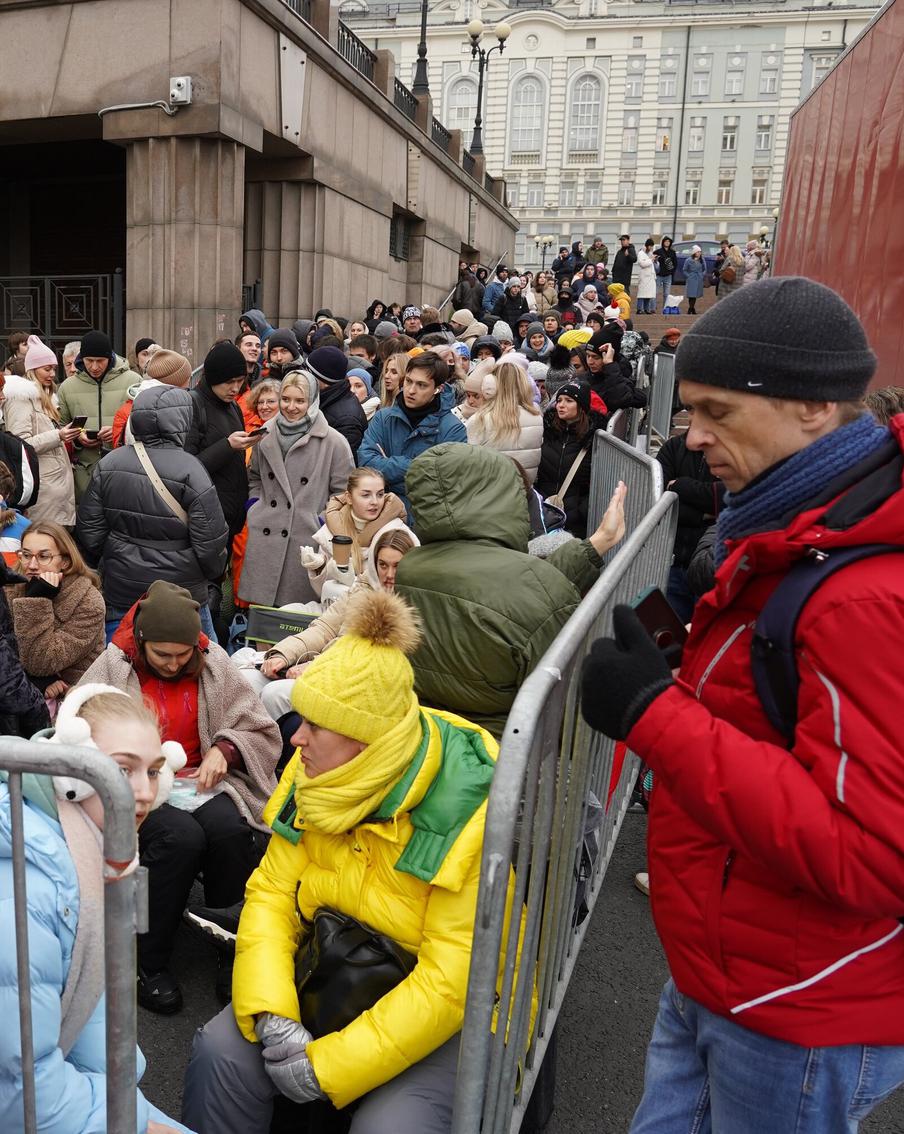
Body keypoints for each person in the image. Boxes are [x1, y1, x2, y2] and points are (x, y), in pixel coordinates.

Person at [580, 277, 904, 1133]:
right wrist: (681, 670)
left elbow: (869, 852)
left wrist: (654, 710)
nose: (693, 436)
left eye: (718, 411)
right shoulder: (795, 527)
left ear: (812, 408)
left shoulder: (860, 594)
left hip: (797, 1006)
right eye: (691, 410)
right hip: (730, 970)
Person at [182, 588, 515, 1134]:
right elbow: (270, 894)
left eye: (316, 724)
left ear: (368, 742)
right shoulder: (314, 773)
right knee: (221, 1052)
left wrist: (331, 1067)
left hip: (443, 1008)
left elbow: (453, 980)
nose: (298, 738)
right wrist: (272, 1009)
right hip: (332, 963)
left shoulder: (471, 812)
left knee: (392, 1126)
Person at [0, 684, 193, 1134]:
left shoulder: (101, 851)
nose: (143, 793)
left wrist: (127, 1098)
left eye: (154, 772)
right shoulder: (26, 893)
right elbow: (20, 1092)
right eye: (121, 769)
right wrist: (137, 1123)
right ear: (69, 773)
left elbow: (92, 999)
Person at [80, 581, 280, 1012]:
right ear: (142, 644)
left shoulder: (212, 660)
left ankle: (233, 948)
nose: (173, 664)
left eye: (182, 654)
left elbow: (257, 725)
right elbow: (82, 730)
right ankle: (148, 961)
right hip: (138, 785)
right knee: (179, 839)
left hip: (200, 781)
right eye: (162, 655)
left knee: (230, 830)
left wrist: (225, 750)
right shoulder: (113, 665)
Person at [395, 443, 627, 738]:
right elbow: (560, 711)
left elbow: (512, 593)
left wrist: (599, 542)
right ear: (499, 497)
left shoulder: (408, 569)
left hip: (428, 741)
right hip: (501, 759)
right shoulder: (532, 588)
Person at [78, 385, 229, 642]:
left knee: (122, 664)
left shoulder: (109, 463)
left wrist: (118, 554)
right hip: (183, 591)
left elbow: (91, 533)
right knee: (205, 667)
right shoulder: (191, 469)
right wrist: (211, 572)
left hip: (123, 587)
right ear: (182, 419)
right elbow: (210, 542)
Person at [238, 519, 418, 724]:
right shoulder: (364, 586)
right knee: (246, 680)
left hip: (348, 683)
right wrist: (283, 654)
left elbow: (359, 659)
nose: (389, 574)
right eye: (383, 565)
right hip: (320, 665)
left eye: (397, 566)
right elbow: (324, 628)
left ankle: (279, 752)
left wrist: (313, 667)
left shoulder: (409, 606)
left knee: (275, 694)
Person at [240, 369, 353, 608]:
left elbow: (343, 494)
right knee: (262, 621)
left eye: (300, 400)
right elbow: (255, 477)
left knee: (298, 623)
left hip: (306, 541)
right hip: (266, 537)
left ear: (312, 401)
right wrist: (255, 506)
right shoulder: (264, 435)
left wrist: (321, 521)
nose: (292, 407)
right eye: (286, 399)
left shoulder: (334, 442)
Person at [6, 521, 106, 703]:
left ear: (65, 562)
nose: (32, 565)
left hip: (72, 700)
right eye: (26, 555)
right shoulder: (11, 586)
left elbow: (41, 662)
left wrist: (36, 601)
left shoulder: (88, 602)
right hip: (18, 688)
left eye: (44, 556)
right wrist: (37, 680)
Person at [358, 351, 467, 518]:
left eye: (422, 385)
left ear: (438, 388)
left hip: (427, 519)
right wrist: (417, 465)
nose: (411, 390)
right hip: (380, 514)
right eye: (408, 381)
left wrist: (388, 467)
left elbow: (444, 481)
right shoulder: (383, 418)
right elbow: (366, 464)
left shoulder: (453, 429)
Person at [187, 341, 261, 547]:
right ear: (213, 378)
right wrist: (227, 446)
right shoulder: (193, 405)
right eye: (229, 382)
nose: (235, 388)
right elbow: (188, 468)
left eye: (240, 381)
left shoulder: (233, 407)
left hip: (232, 515)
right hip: (205, 518)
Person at [2, 335, 79, 525]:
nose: (52, 373)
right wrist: (58, 435)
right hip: (44, 490)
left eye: (54, 368)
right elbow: (20, 446)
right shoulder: (21, 397)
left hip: (55, 489)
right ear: (32, 369)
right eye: (47, 369)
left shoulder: (46, 398)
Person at [56, 330, 139, 500]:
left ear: (110, 358)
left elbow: (143, 423)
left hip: (124, 470)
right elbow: (60, 429)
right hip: (84, 474)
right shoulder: (67, 387)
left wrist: (118, 432)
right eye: (89, 361)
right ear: (82, 359)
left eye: (100, 361)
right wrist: (78, 436)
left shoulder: (134, 381)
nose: (94, 367)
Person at [302, 466, 406, 598]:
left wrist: (351, 583)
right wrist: (320, 568)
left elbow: (400, 591)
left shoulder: (397, 532)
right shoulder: (329, 531)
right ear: (349, 498)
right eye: (366, 495)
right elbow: (323, 594)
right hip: (333, 611)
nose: (375, 502)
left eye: (380, 494)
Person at [655, 433, 724, 622]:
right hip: (673, 563)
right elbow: (659, 500)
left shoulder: (733, 449)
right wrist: (703, 513)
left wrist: (681, 485)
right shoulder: (673, 448)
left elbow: (728, 497)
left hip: (710, 568)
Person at [535, 382, 609, 538]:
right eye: (559, 400)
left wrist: (580, 511)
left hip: (574, 522)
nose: (561, 405)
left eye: (569, 401)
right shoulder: (546, 432)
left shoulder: (593, 438)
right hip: (543, 514)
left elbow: (599, 479)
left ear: (581, 406)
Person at [466, 361, 542, 483]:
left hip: (492, 495)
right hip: (525, 493)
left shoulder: (480, 419)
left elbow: (473, 466)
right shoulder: (537, 417)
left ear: (490, 386)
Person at [112, 348, 193, 448]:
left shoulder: (138, 401)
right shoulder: (168, 408)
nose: (189, 383)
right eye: (188, 378)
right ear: (177, 380)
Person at [303, 346, 368, 456]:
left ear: (323, 379)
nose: (304, 377)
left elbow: (343, 463)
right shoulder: (324, 398)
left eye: (308, 372)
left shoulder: (347, 420)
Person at [653, 236, 677, 312]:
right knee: (655, 293)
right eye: (666, 241)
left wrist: (672, 272)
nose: (667, 243)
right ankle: (653, 308)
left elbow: (675, 263)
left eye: (668, 241)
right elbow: (654, 262)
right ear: (663, 242)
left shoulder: (672, 252)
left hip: (668, 275)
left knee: (667, 294)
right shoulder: (658, 252)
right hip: (659, 275)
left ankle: (665, 308)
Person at [682, 244, 706, 315]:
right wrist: (688, 276)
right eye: (698, 252)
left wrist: (702, 275)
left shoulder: (702, 260)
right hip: (691, 279)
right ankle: (691, 308)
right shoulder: (688, 260)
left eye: (700, 252)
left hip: (699, 278)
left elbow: (705, 269)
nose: (699, 253)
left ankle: (691, 308)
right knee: (691, 294)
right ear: (694, 252)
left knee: (695, 294)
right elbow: (684, 270)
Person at [635, 238, 656, 315]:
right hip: (644, 276)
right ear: (647, 245)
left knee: (648, 294)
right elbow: (642, 264)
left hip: (650, 276)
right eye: (650, 246)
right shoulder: (641, 253)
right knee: (642, 294)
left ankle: (647, 309)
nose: (651, 248)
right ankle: (639, 308)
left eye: (652, 246)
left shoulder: (650, 253)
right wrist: (651, 260)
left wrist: (654, 260)